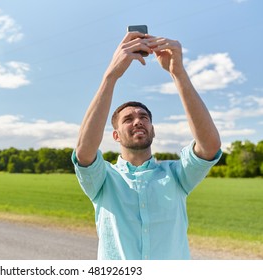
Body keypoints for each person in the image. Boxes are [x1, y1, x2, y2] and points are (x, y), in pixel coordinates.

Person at [71, 30, 222, 260]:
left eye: (144, 117)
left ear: (153, 130)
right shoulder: (104, 180)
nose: (138, 121)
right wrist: (111, 76)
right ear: (116, 136)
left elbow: (209, 146)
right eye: (128, 119)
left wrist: (177, 72)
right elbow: (84, 152)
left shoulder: (176, 176)